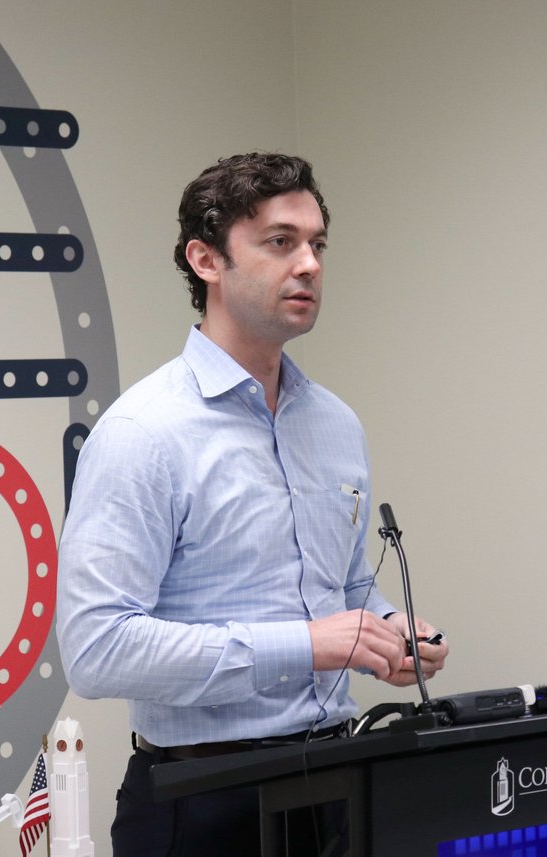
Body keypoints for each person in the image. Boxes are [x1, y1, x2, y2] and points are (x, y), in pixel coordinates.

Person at [56, 152, 448, 856]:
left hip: (339, 783)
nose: (309, 265)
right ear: (206, 259)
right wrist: (308, 645)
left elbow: (342, 584)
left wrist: (388, 628)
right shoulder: (141, 433)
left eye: (317, 243)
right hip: (204, 802)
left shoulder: (335, 424)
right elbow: (97, 648)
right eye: (280, 242)